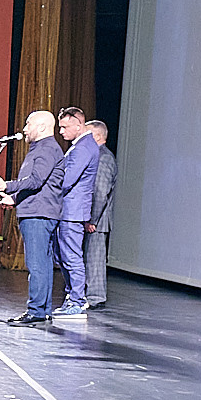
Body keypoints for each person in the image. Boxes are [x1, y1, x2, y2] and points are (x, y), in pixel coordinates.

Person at [0, 109, 64, 325]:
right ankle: (42, 310)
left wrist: (6, 186)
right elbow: (38, 184)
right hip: (39, 211)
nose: (24, 129)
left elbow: (36, 181)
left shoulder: (46, 149)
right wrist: (15, 198)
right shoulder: (42, 148)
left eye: (28, 124)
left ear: (42, 127)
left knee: (36, 265)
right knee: (42, 264)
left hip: (38, 214)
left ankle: (36, 311)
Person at [49, 105, 102, 319]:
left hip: (73, 211)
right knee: (64, 256)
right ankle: (73, 297)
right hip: (68, 210)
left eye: (64, 127)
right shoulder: (80, 146)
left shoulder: (83, 147)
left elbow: (67, 180)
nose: (61, 131)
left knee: (71, 256)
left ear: (79, 125)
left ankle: (78, 301)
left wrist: (46, 189)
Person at [85, 119, 115, 308]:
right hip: (92, 219)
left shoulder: (103, 158)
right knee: (89, 258)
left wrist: (92, 219)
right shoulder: (96, 155)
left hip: (97, 220)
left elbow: (100, 191)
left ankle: (95, 298)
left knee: (94, 259)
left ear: (97, 136)